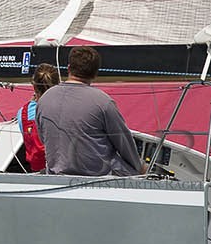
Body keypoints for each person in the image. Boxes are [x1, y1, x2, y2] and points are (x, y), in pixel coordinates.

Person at [34, 45, 144, 177]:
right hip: (98, 177)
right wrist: (139, 168)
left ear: (69, 68)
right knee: (145, 170)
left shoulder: (44, 100)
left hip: (56, 174)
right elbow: (124, 143)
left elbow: (43, 138)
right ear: (95, 73)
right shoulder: (103, 102)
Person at [15, 63, 59, 173]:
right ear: (58, 84)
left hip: (37, 169)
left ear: (34, 86)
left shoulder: (22, 112)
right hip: (62, 167)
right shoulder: (64, 108)